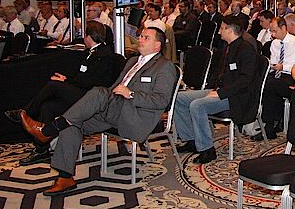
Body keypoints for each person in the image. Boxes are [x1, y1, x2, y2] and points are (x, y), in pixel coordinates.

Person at [18, 26, 177, 196]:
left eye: (146, 37)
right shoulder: (132, 61)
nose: (140, 39)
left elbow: (162, 100)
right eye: (141, 36)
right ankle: (65, 178)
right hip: (114, 111)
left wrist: (131, 94)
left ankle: (48, 131)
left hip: (135, 116)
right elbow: (114, 87)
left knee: (98, 92)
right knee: (72, 122)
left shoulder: (164, 67)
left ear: (157, 45)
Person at [6, 22, 115, 165]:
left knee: (54, 86)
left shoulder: (105, 55)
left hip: (91, 98)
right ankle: (41, 150)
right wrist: (67, 79)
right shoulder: (89, 53)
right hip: (81, 91)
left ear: (88, 36)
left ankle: (25, 112)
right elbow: (80, 76)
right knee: (48, 107)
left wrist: (66, 81)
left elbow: (93, 81)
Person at [174, 15, 261, 163]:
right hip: (219, 90)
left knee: (197, 105)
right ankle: (191, 139)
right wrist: (209, 89)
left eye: (221, 28)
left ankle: (207, 149)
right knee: (179, 98)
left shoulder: (246, 50)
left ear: (230, 30)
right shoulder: (227, 47)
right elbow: (219, 73)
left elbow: (245, 81)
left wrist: (220, 93)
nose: (219, 32)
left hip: (235, 96)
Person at [256, 17, 295, 140]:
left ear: (283, 28)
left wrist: (283, 67)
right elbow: (274, 60)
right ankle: (268, 123)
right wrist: (274, 66)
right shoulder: (274, 43)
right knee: (263, 83)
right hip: (277, 74)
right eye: (271, 31)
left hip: (291, 75)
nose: (273, 35)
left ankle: (269, 125)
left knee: (271, 85)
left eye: (275, 31)